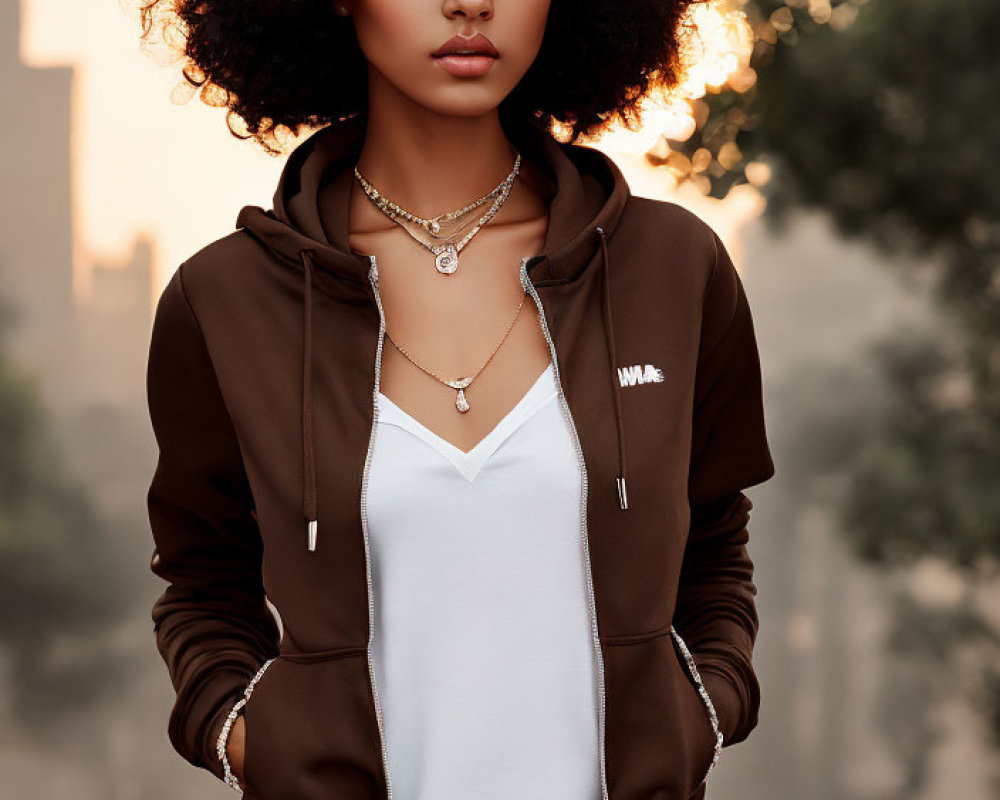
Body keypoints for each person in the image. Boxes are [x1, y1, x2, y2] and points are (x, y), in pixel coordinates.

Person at [141, 1, 776, 799]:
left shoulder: (673, 268)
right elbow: (203, 581)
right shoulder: (225, 300)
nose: (470, 3)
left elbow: (714, 543)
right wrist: (245, 736)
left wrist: (704, 711)